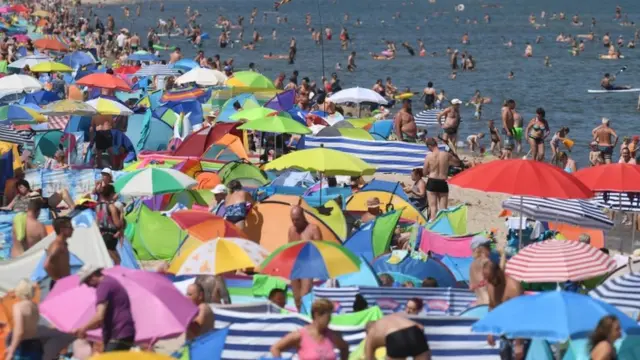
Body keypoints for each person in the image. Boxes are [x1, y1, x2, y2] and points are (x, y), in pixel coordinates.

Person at [73, 265, 136, 352]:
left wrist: (83, 328)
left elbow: (99, 316)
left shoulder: (103, 286)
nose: (88, 286)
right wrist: (84, 329)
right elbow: (101, 321)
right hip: (125, 332)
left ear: (92, 276)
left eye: (87, 282)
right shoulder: (110, 282)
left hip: (118, 333)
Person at [270, 299, 349, 360]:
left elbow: (344, 347)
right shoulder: (300, 335)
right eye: (327, 318)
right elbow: (275, 348)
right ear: (317, 315)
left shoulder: (332, 335)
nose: (329, 321)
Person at [483, 261, 525, 360]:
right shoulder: (491, 285)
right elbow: (492, 307)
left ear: (499, 272)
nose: (491, 282)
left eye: (492, 278)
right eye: (488, 279)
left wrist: (519, 343)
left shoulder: (514, 287)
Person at [288, 205, 321, 311]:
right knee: (296, 299)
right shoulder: (291, 230)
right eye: (293, 219)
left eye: (297, 219)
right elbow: (289, 249)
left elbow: (320, 250)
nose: (295, 222)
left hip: (308, 266)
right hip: (295, 266)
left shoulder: (313, 229)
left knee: (305, 296)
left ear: (303, 217)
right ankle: (300, 318)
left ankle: (306, 318)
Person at [423, 138, 460, 221]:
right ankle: (442, 227)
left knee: (433, 208)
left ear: (429, 146)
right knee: (443, 209)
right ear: (436, 144)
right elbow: (457, 163)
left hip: (432, 181)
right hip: (442, 182)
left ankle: (432, 227)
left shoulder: (429, 156)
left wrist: (430, 170)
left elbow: (424, 172)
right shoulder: (446, 154)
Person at [4, 279, 42, 360]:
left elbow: (19, 331)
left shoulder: (18, 307)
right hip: (36, 345)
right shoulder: (36, 306)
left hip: (23, 347)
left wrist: (11, 351)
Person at [364, 314, 431, 360]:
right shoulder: (389, 319)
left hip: (395, 337)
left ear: (367, 331)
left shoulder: (371, 334)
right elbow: (421, 327)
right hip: (415, 330)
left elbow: (369, 358)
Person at [44, 217, 73, 291]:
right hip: (60, 284)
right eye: (70, 227)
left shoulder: (63, 244)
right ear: (62, 230)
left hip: (65, 282)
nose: (73, 229)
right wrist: (58, 280)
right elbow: (46, 265)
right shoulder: (57, 245)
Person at [96, 185, 123, 265]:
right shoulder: (111, 207)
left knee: (115, 260)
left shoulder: (97, 206)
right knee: (117, 260)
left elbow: (97, 222)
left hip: (102, 235)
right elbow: (118, 224)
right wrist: (121, 214)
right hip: (110, 237)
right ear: (111, 194)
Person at [469, 235, 492, 305]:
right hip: (489, 303)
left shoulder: (472, 266)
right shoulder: (486, 262)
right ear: (480, 248)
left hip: (478, 304)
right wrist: (503, 256)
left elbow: (471, 288)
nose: (490, 249)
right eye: (488, 246)